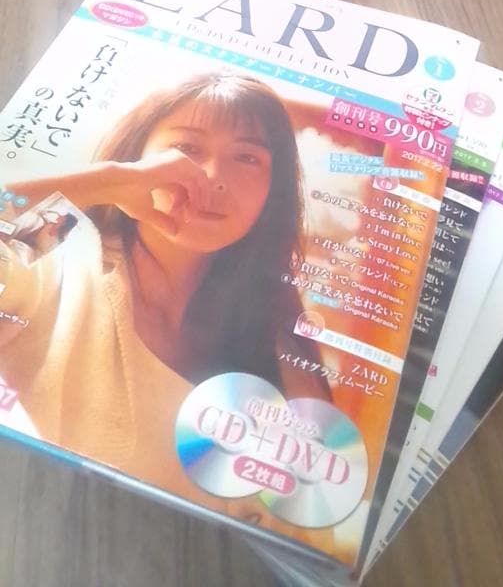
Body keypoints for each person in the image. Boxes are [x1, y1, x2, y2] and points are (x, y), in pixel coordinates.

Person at [0, 73, 328, 507]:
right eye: (187, 149)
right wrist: (106, 181)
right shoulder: (62, 251)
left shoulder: (276, 341)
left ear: (274, 190)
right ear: (138, 157)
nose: (213, 177)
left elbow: (308, 504)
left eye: (247, 158)